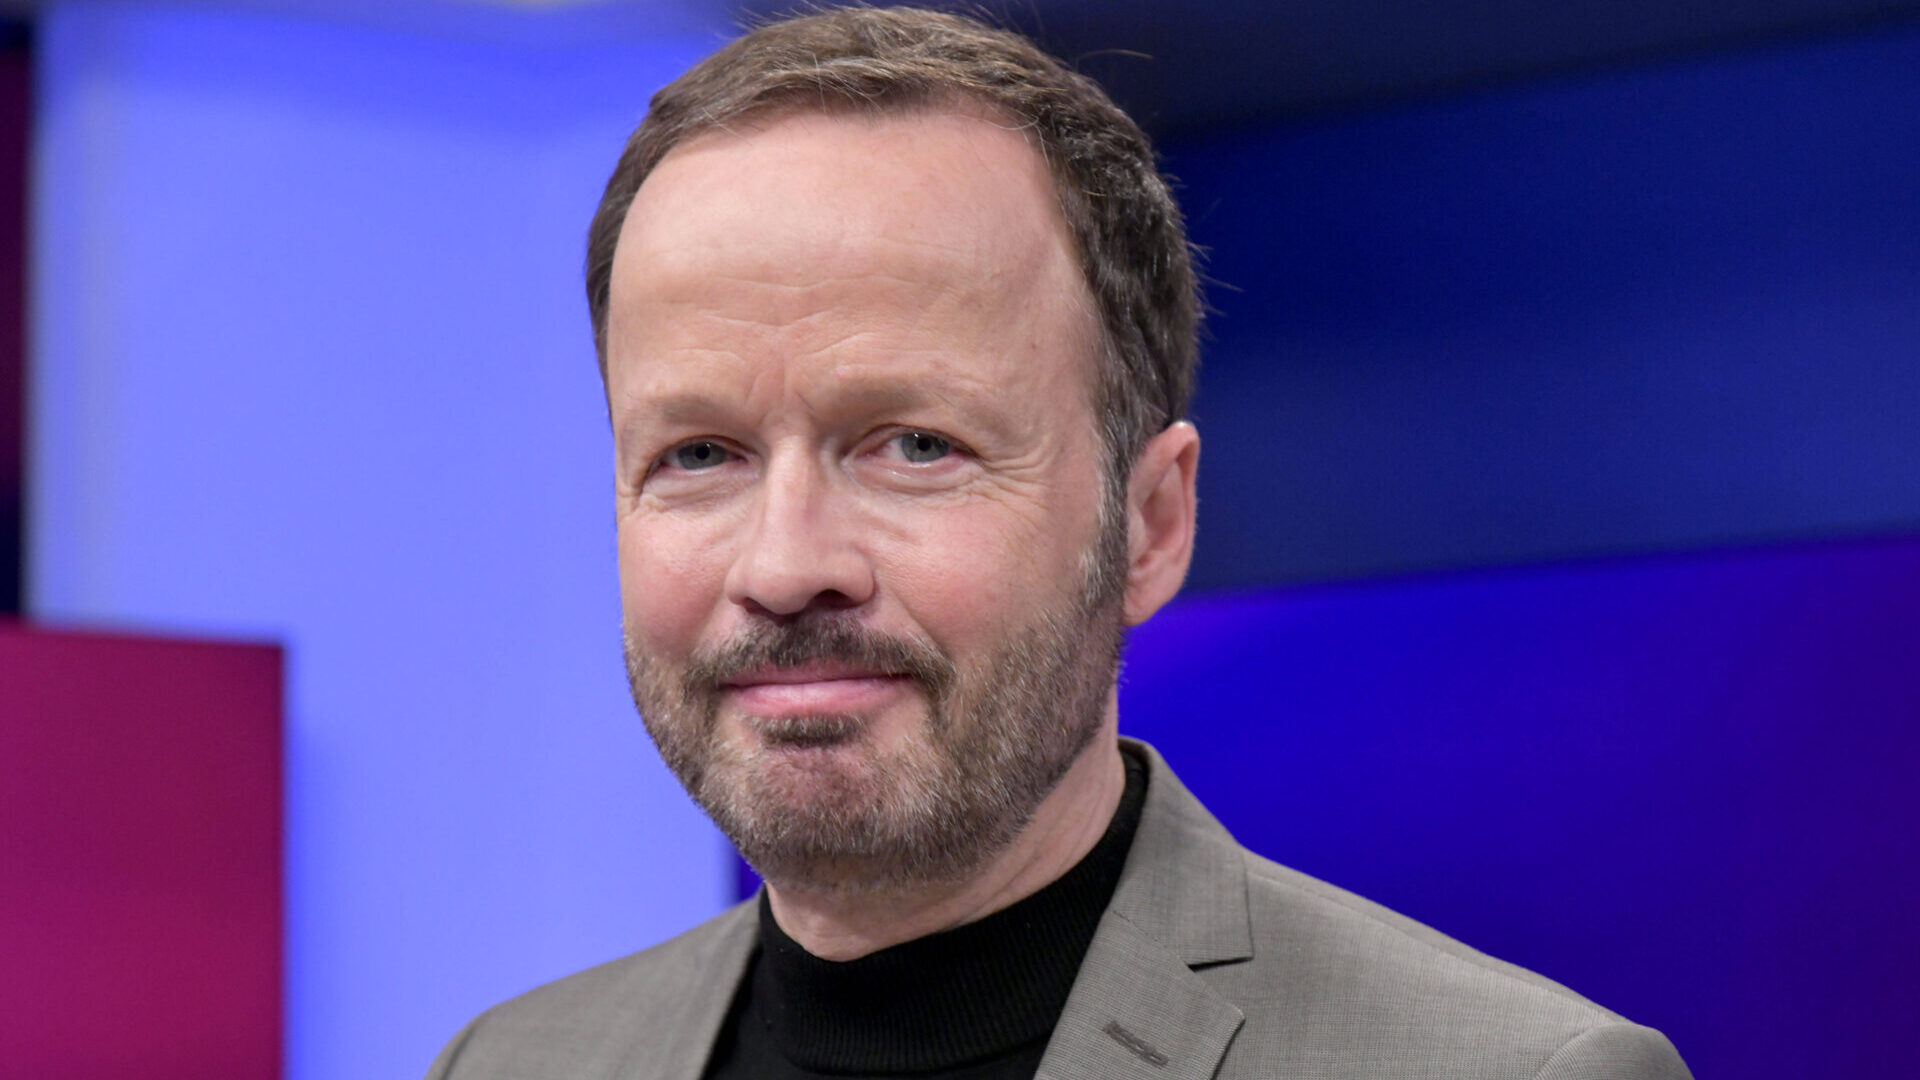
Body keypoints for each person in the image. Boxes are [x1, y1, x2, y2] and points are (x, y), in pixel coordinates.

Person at [427, 7, 1692, 1078]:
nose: (785, 565)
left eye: (915, 444)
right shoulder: (512, 1061)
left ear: (1151, 525)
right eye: (700, 455)